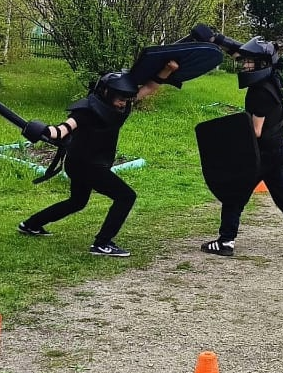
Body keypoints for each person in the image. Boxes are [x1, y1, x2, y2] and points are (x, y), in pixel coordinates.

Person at [17, 61, 178, 257]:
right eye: (120, 98)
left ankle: (30, 224)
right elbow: (62, 130)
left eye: (126, 99)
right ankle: (102, 243)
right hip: (87, 165)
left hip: (86, 162)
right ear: (107, 93)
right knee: (126, 196)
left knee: (77, 201)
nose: (124, 103)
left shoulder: (121, 105)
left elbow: (149, 87)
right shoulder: (86, 110)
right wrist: (44, 130)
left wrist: (168, 69)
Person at [201, 38, 283, 257]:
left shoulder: (259, 92)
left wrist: (229, 136)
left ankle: (226, 242)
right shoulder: (272, 79)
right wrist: (217, 39)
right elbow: (239, 52)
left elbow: (255, 131)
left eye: (249, 62)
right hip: (278, 149)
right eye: (245, 61)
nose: (245, 65)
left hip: (262, 154)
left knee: (235, 194)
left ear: (262, 64)